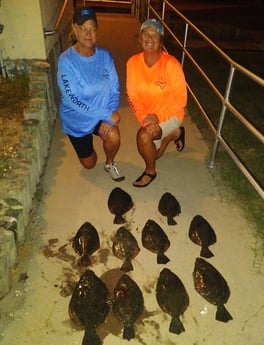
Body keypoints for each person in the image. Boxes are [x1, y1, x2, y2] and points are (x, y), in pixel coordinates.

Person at [57, 7, 125, 182]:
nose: (88, 33)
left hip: (99, 116)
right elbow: (73, 100)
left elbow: (114, 89)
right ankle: (86, 147)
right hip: (77, 121)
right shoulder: (66, 61)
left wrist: (108, 119)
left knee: (114, 135)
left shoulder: (105, 56)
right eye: (83, 28)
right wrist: (107, 114)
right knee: (90, 164)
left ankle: (110, 163)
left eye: (92, 28)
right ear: (74, 29)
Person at [126, 19, 187, 187]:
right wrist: (145, 118)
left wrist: (157, 117)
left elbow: (181, 100)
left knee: (143, 138)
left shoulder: (171, 64)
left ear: (161, 41)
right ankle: (173, 134)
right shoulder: (132, 63)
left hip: (171, 114)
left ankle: (150, 171)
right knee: (151, 151)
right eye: (146, 33)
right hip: (148, 117)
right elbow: (132, 96)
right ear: (140, 38)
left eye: (155, 35)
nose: (150, 38)